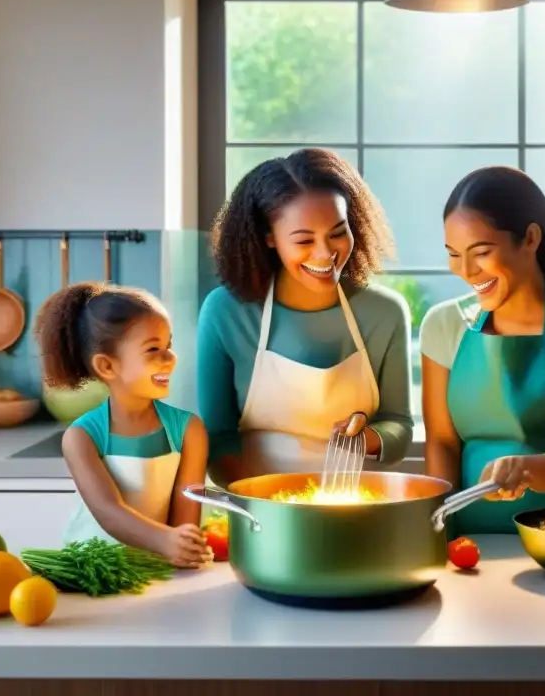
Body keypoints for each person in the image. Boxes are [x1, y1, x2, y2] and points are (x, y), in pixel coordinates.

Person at [421, 166, 545, 535]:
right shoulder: (444, 324)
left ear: (530, 238)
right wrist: (437, 531)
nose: (466, 270)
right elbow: (442, 442)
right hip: (467, 536)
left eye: (481, 251)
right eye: (454, 254)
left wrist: (525, 469)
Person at [196, 148, 413, 486]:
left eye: (338, 233)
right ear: (269, 237)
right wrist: (264, 504)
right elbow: (218, 438)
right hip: (252, 505)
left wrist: (365, 436)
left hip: (353, 505)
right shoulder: (225, 312)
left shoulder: (384, 312)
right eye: (304, 240)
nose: (326, 254)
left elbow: (399, 427)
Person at [33, 282, 209, 568]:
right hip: (90, 573)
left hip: (154, 572)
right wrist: (167, 541)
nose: (170, 358)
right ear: (107, 366)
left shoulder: (189, 430)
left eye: (169, 345)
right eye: (153, 349)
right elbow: (108, 510)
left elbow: (185, 521)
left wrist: (184, 546)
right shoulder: (82, 437)